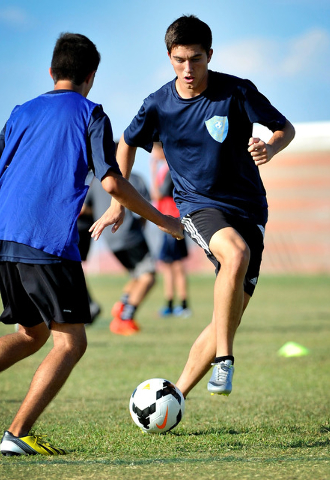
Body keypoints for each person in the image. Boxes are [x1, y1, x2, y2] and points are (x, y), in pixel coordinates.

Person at [0, 33, 182, 456]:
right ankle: (17, 434)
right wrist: (163, 220)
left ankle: (18, 432)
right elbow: (110, 180)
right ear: (91, 76)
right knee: (71, 341)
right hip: (45, 239)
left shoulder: (22, 111)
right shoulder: (91, 113)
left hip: (1, 236)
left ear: (52, 71)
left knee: (30, 335)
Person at [96, 15, 295, 400]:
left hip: (250, 208)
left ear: (210, 55)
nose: (188, 69)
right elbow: (126, 142)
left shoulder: (237, 91)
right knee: (234, 255)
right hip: (198, 206)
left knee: (230, 314)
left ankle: (175, 397)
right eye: (180, 59)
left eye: (197, 59)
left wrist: (270, 146)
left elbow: (284, 127)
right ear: (169, 56)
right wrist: (118, 200)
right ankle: (225, 360)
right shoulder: (157, 104)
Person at [88, 172, 156, 336]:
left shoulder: (96, 180)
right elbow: (146, 205)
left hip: (108, 237)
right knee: (148, 276)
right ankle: (125, 318)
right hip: (129, 233)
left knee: (137, 275)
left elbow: (85, 207)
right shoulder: (134, 178)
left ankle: (122, 305)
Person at [150, 143, 191, 318]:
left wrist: (152, 170)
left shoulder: (170, 170)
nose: (152, 154)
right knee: (167, 265)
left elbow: (157, 195)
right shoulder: (166, 170)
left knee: (176, 265)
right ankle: (170, 303)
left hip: (172, 222)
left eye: (154, 150)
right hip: (166, 223)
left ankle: (183, 304)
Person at [77, 186, 102, 323]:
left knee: (72, 269)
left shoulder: (90, 179)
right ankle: (88, 305)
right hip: (83, 228)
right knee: (73, 270)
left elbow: (83, 208)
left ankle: (89, 306)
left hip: (80, 229)